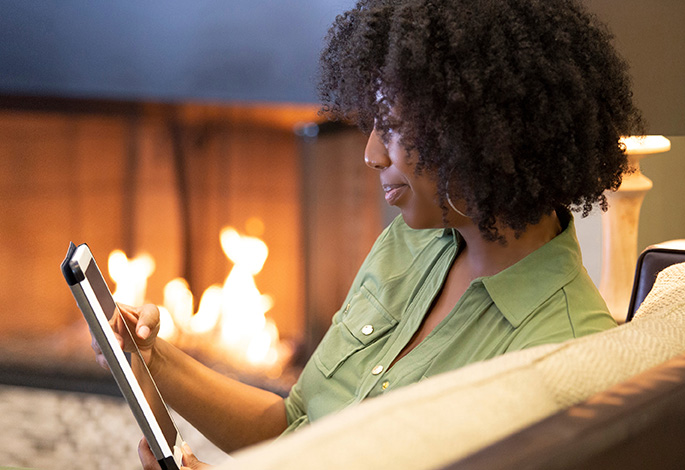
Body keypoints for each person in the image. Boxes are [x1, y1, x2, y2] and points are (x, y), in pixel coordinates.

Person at [95, 0, 644, 467]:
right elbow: (297, 425)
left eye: (394, 127)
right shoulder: (413, 242)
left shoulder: (561, 354)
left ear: (475, 133)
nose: (371, 153)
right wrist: (154, 360)